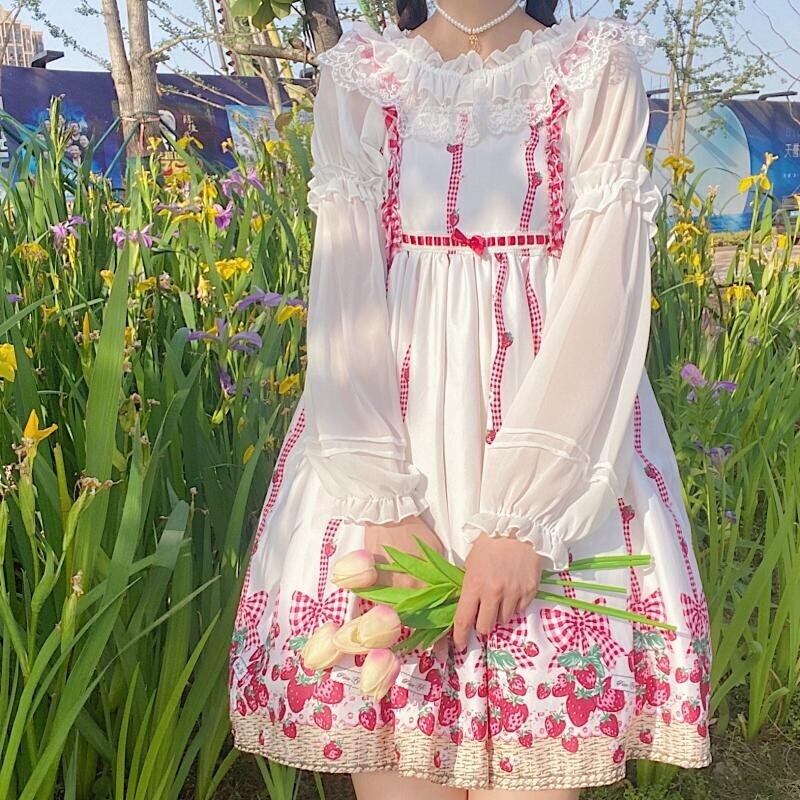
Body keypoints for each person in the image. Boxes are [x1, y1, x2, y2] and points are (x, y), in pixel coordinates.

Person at [229, 1, 713, 796]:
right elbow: (344, 298)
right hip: (389, 458)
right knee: (397, 748)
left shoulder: (594, 68)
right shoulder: (361, 77)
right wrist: (383, 505)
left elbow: (604, 292)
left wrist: (524, 522)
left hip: (554, 463)